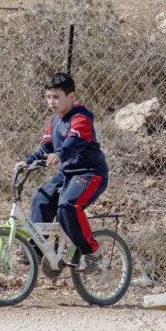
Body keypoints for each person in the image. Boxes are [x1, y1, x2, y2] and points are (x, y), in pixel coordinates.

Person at [20, 72, 107, 272]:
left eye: (56, 97)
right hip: (67, 173)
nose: (52, 102)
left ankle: (92, 252)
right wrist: (27, 161)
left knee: (67, 206)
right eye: (48, 97)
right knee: (40, 199)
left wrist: (60, 154)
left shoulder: (81, 118)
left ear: (71, 97)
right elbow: (46, 148)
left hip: (90, 173)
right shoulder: (55, 121)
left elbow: (73, 141)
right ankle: (38, 250)